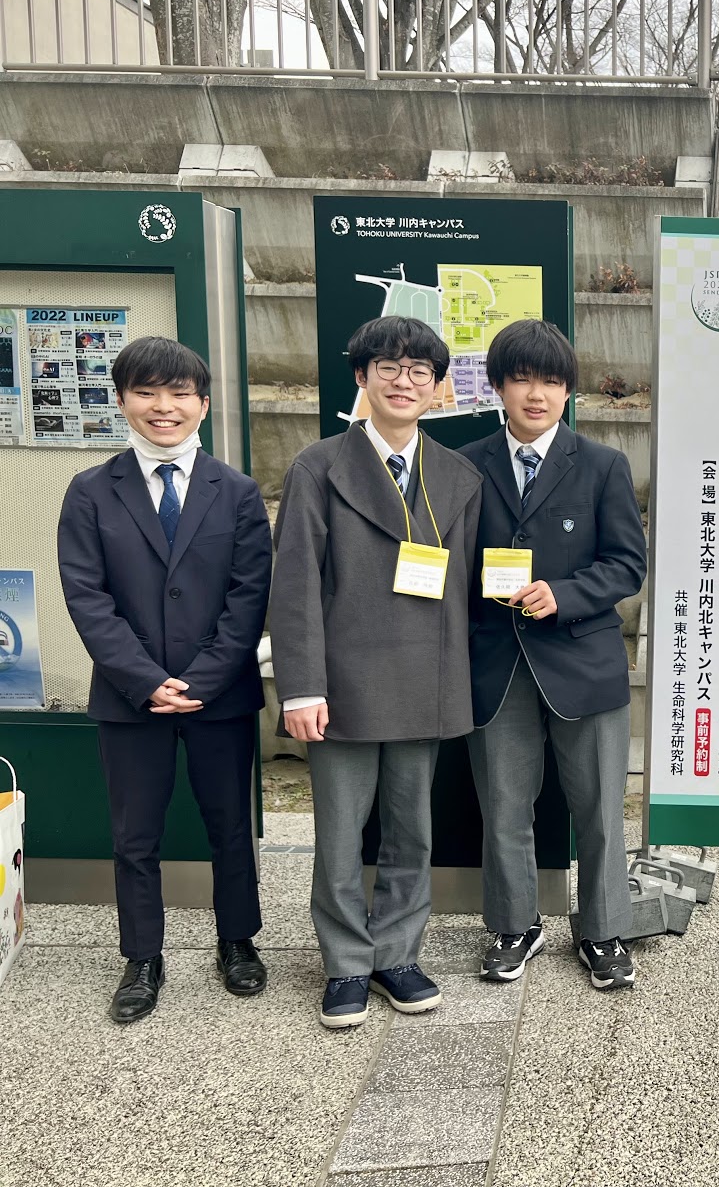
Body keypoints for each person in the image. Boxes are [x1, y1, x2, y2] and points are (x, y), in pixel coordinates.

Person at [271, 316, 483, 1028]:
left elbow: (462, 591)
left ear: (437, 387)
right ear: (361, 379)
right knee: (338, 832)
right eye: (388, 368)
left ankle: (397, 951)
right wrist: (301, 686)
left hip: (425, 679)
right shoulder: (319, 466)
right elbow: (294, 585)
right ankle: (345, 963)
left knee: (410, 827)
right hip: (341, 686)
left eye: (420, 370)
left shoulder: (458, 477)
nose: (404, 380)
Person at [57, 336, 272, 1023]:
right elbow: (86, 596)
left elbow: (249, 596)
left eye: (179, 393)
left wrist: (204, 677)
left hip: (220, 695)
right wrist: (146, 679)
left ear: (203, 404)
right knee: (136, 836)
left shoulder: (235, 492)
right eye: (147, 391)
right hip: (129, 698)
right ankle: (142, 957)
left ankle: (237, 941)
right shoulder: (92, 491)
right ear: (122, 400)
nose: (163, 406)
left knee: (229, 827)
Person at [459, 320, 647, 991]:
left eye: (551, 381)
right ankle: (516, 925)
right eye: (521, 379)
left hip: (583, 663)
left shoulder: (602, 465)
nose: (535, 394)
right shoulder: (464, 463)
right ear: (499, 386)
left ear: (568, 391)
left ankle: (603, 932)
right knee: (504, 804)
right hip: (496, 663)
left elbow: (628, 565)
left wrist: (563, 594)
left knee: (597, 805)